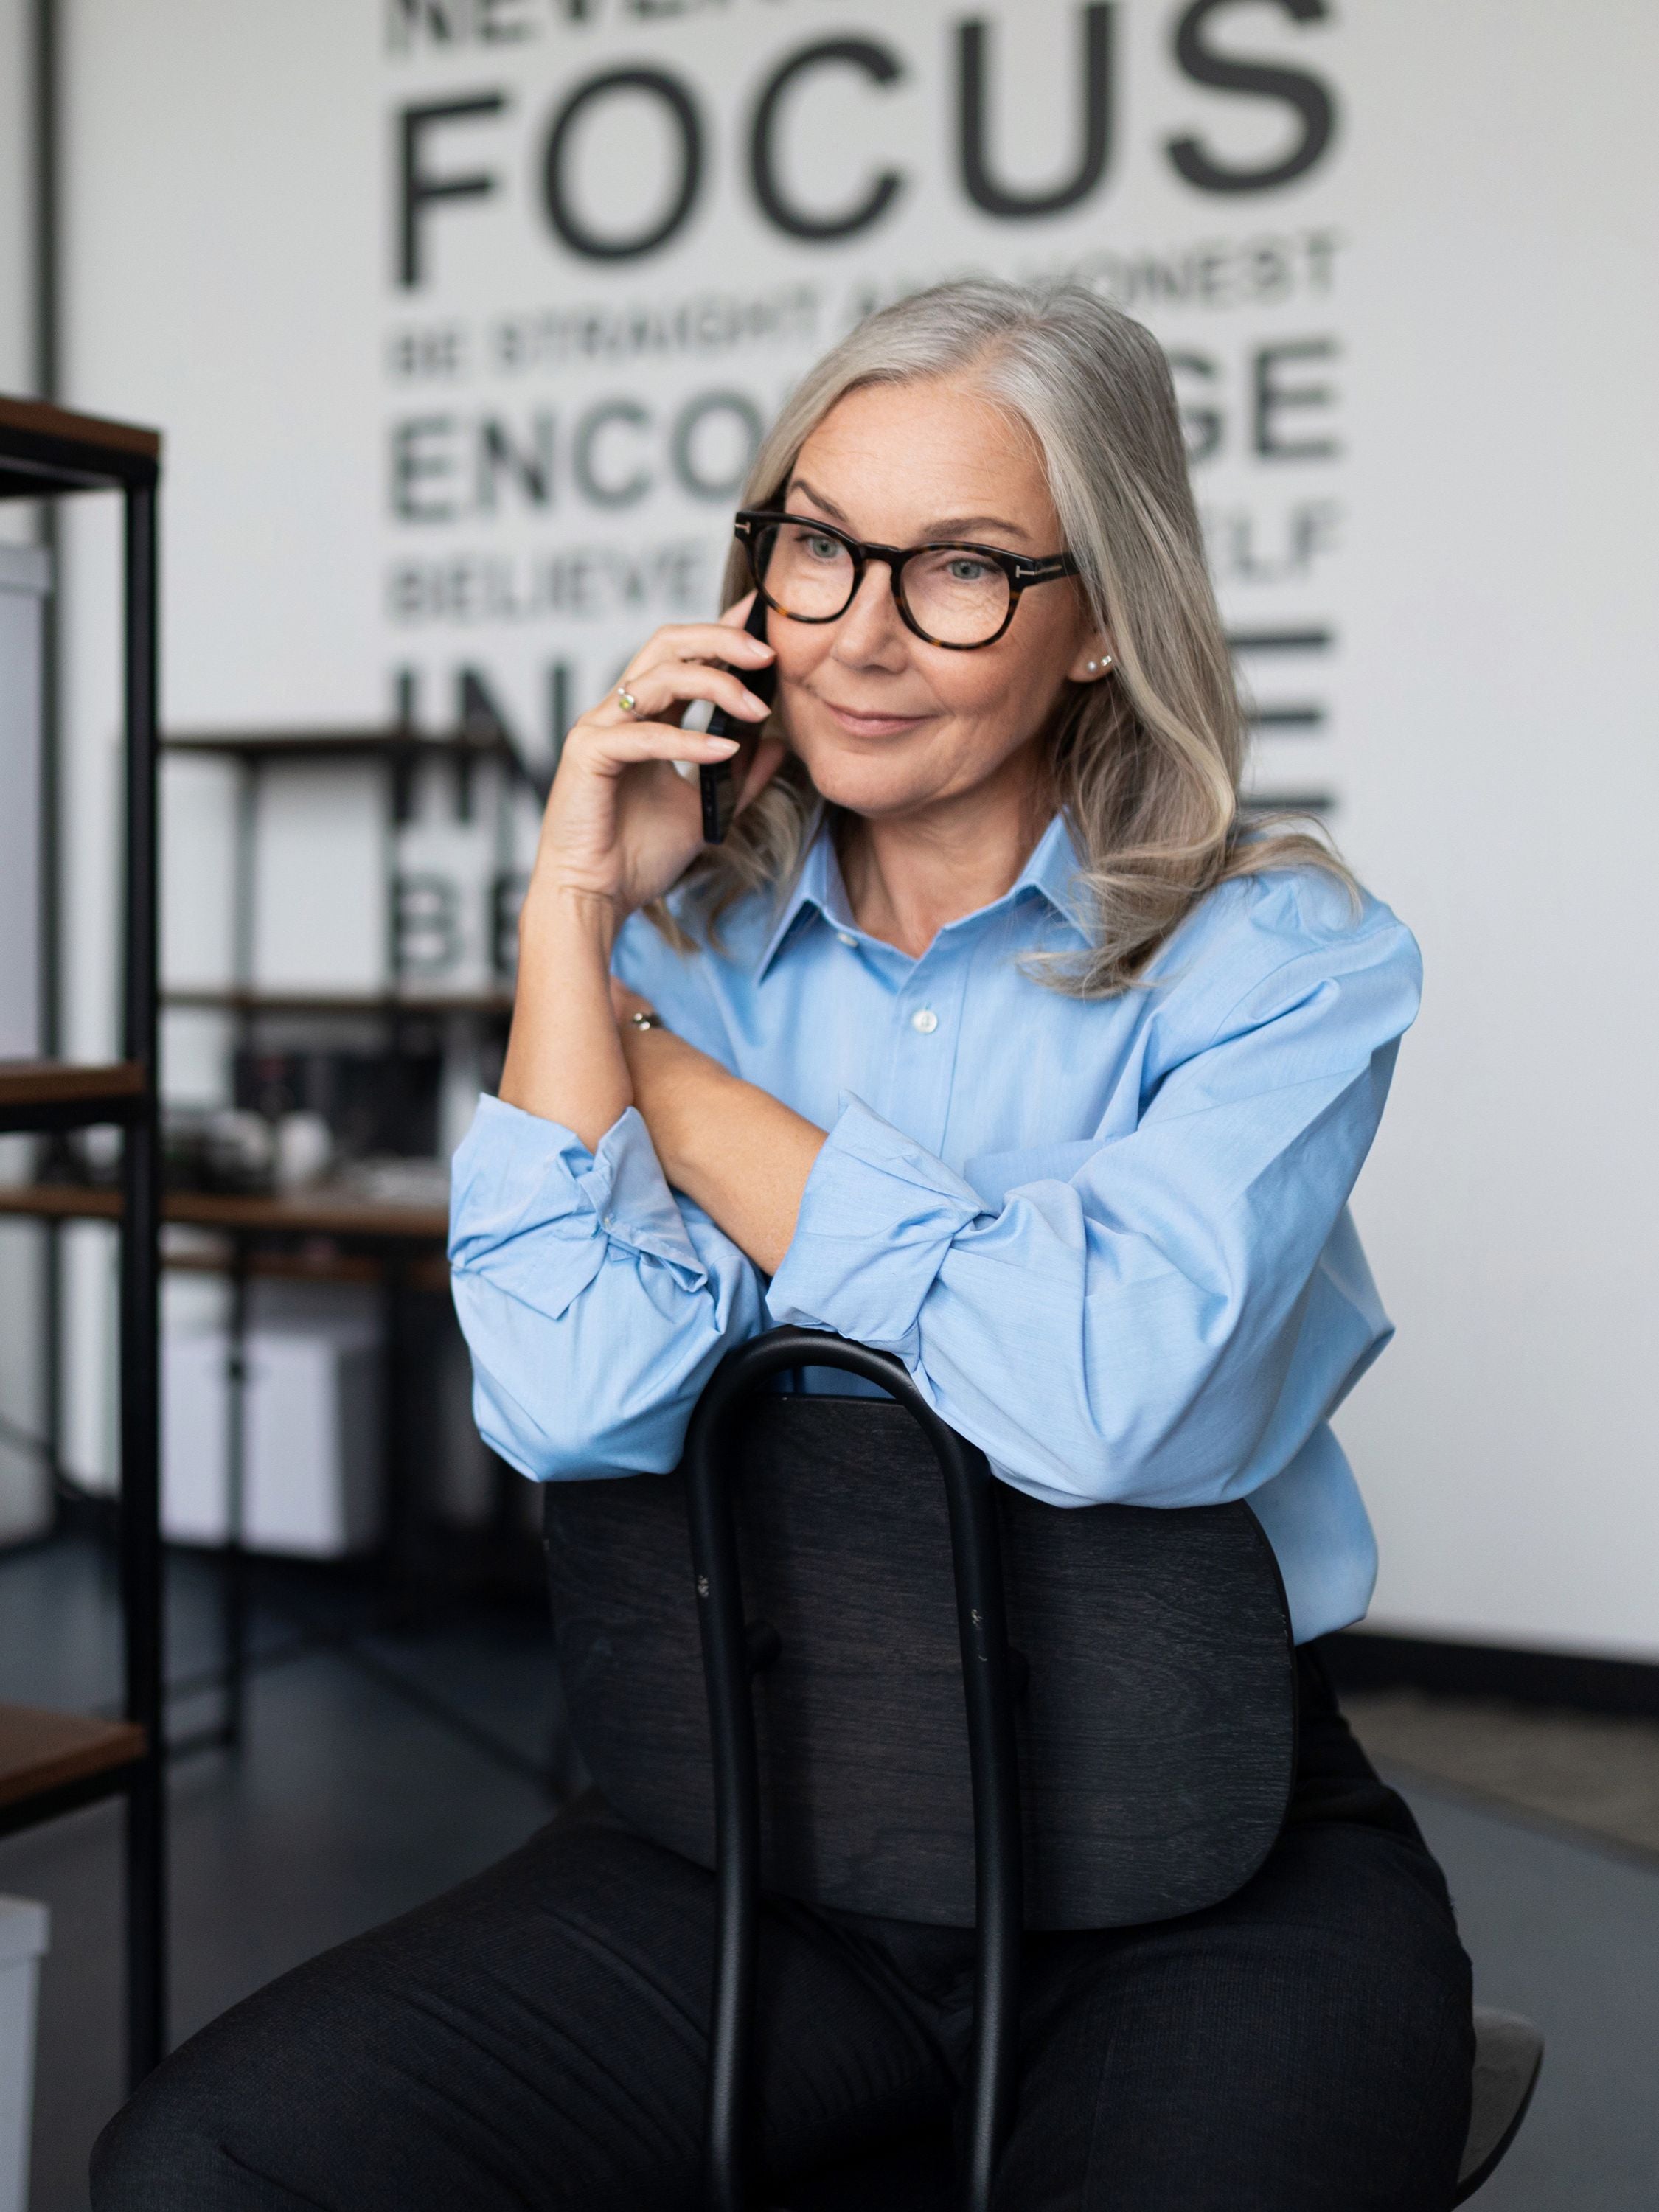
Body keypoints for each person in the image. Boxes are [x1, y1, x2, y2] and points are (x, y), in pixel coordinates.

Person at [94, 282, 1473, 2211]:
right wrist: (572, 910)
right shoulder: (670, 952)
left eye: (964, 569)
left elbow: (1093, 1400)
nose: (858, 636)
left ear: (1099, 623)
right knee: (209, 2159)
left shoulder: (1281, 957)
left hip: (1202, 1864)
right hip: (758, 1829)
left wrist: (659, 1085)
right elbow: (571, 1405)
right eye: (817, 546)